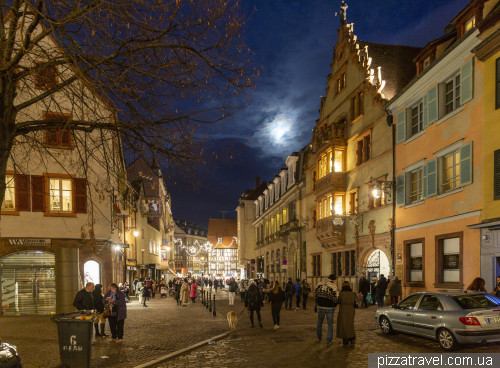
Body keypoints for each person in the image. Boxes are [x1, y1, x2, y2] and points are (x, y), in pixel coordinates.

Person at [315, 274, 338, 346]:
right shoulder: (333, 286)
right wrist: (334, 305)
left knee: (319, 322)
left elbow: (315, 294)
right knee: (330, 324)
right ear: (333, 279)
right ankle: (328, 340)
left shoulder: (319, 284)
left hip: (321, 306)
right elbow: (336, 297)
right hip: (330, 307)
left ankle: (319, 336)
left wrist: (316, 304)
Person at [336, 281, 356, 346]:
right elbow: (355, 301)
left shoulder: (341, 293)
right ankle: (352, 338)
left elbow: (338, 301)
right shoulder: (352, 293)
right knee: (350, 324)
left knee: (343, 325)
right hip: (351, 310)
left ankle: (345, 340)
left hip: (343, 309)